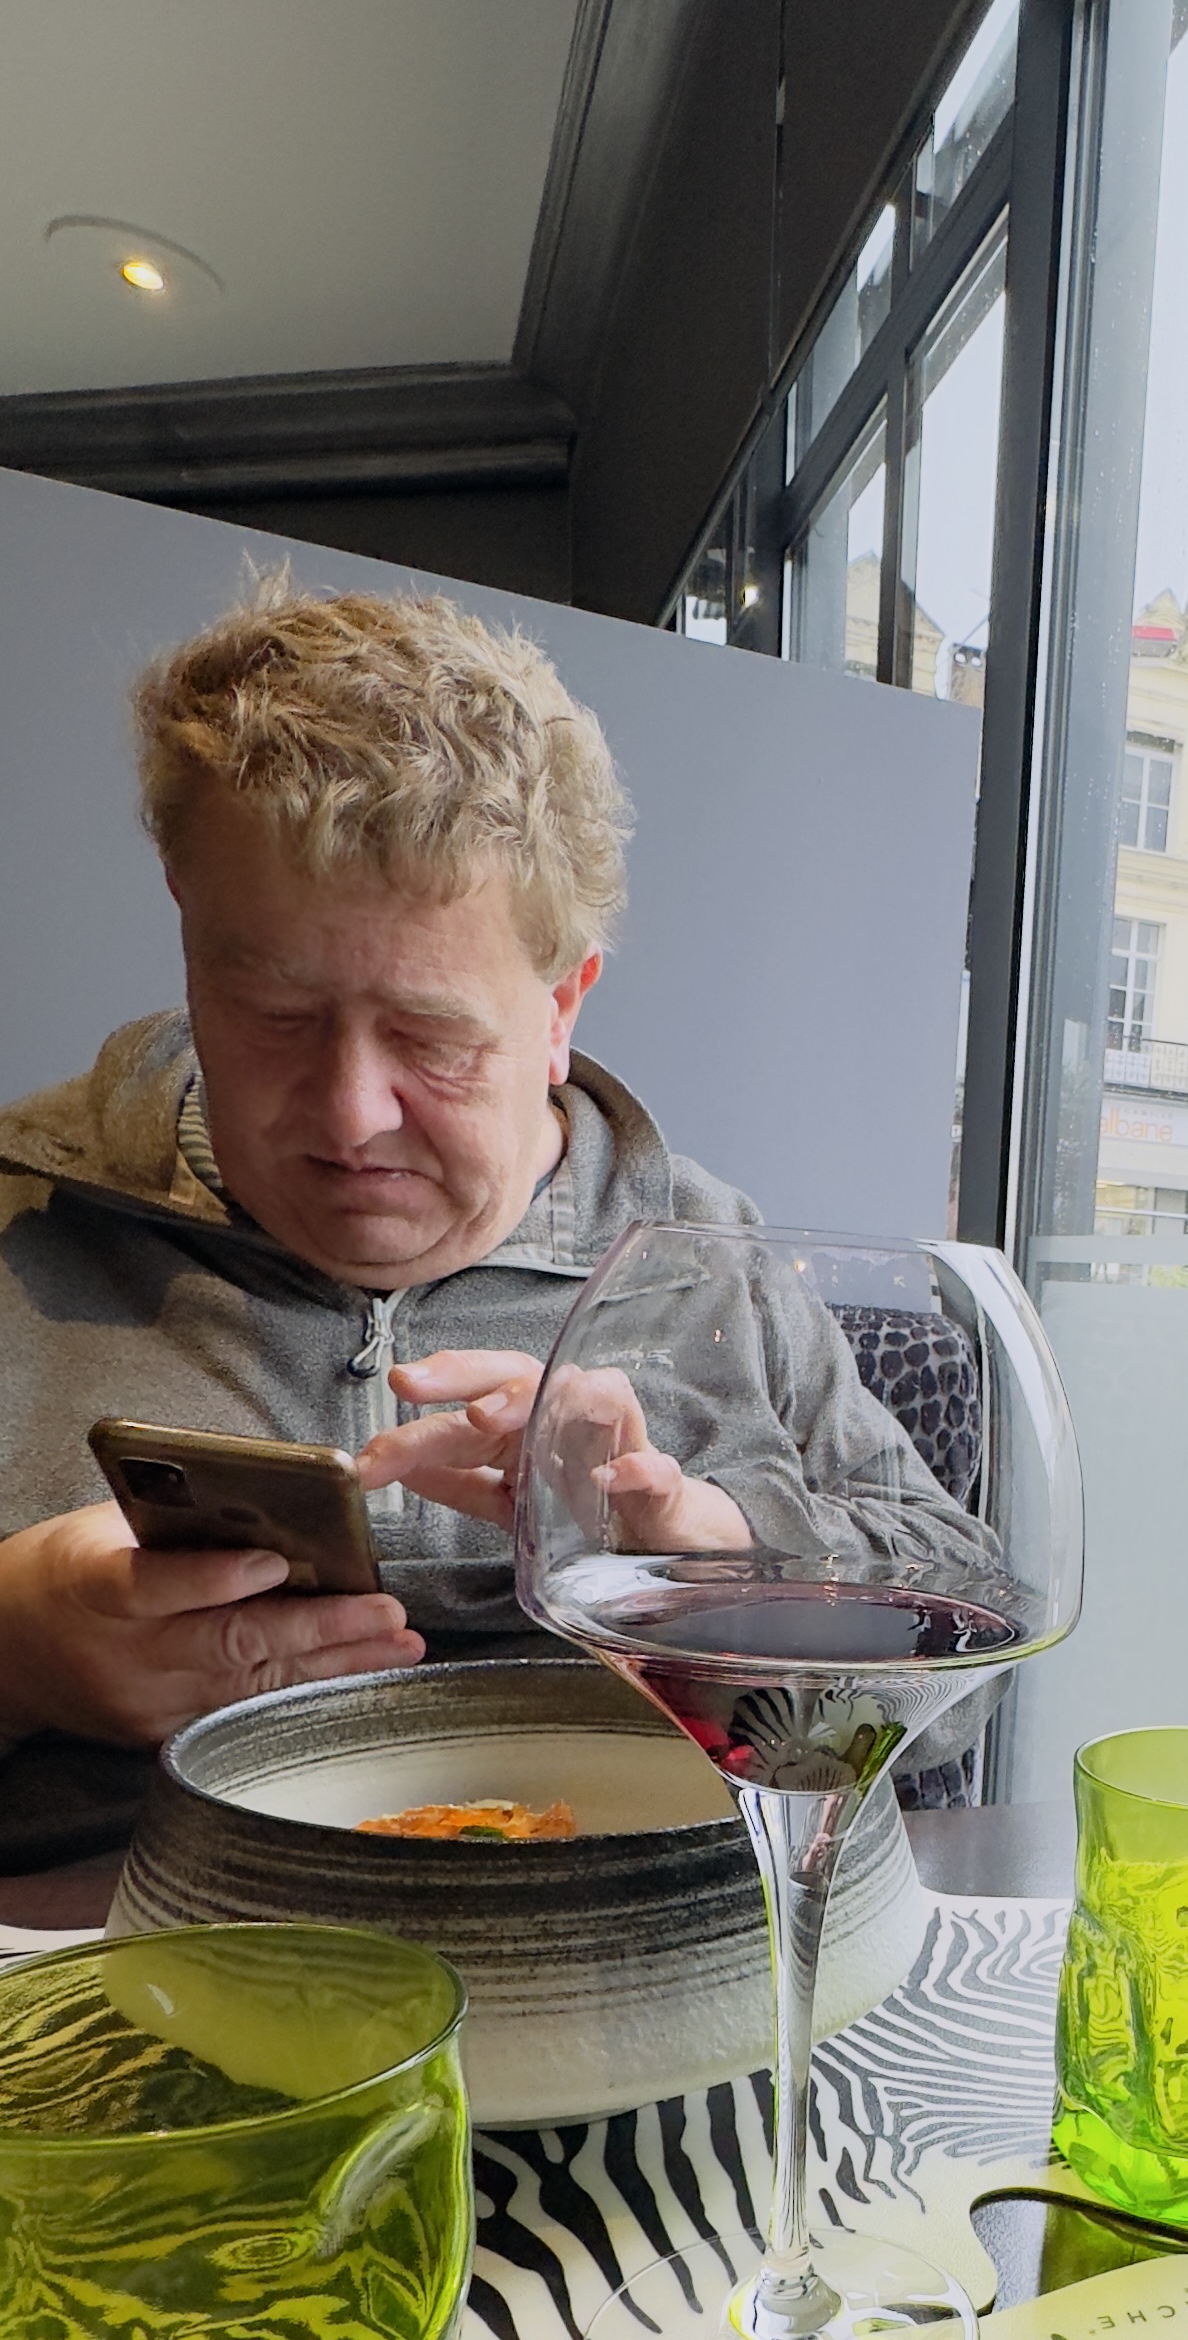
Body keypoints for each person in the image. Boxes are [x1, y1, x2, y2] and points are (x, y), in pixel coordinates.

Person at [0, 577, 967, 1868]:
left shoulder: (710, 1262)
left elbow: (963, 1666)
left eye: (431, 1039)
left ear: (563, 1007)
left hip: (653, 1955)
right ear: (188, 926)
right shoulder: (20, 1224)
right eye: (276, 1016)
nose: (351, 1115)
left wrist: (720, 1561)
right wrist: (15, 1655)